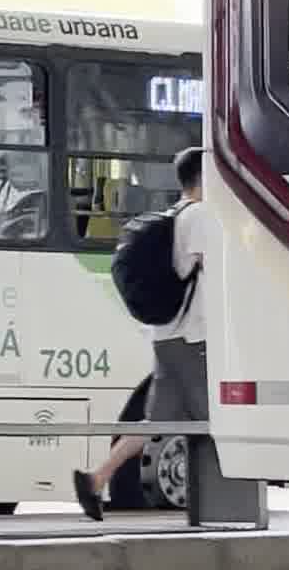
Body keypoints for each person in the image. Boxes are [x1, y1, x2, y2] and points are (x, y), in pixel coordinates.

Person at [74, 147, 206, 522]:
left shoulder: (172, 215)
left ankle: (96, 478)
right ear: (206, 177)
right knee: (218, 420)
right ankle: (217, 502)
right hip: (194, 339)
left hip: (165, 336)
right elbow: (219, 270)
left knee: (157, 423)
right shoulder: (199, 217)